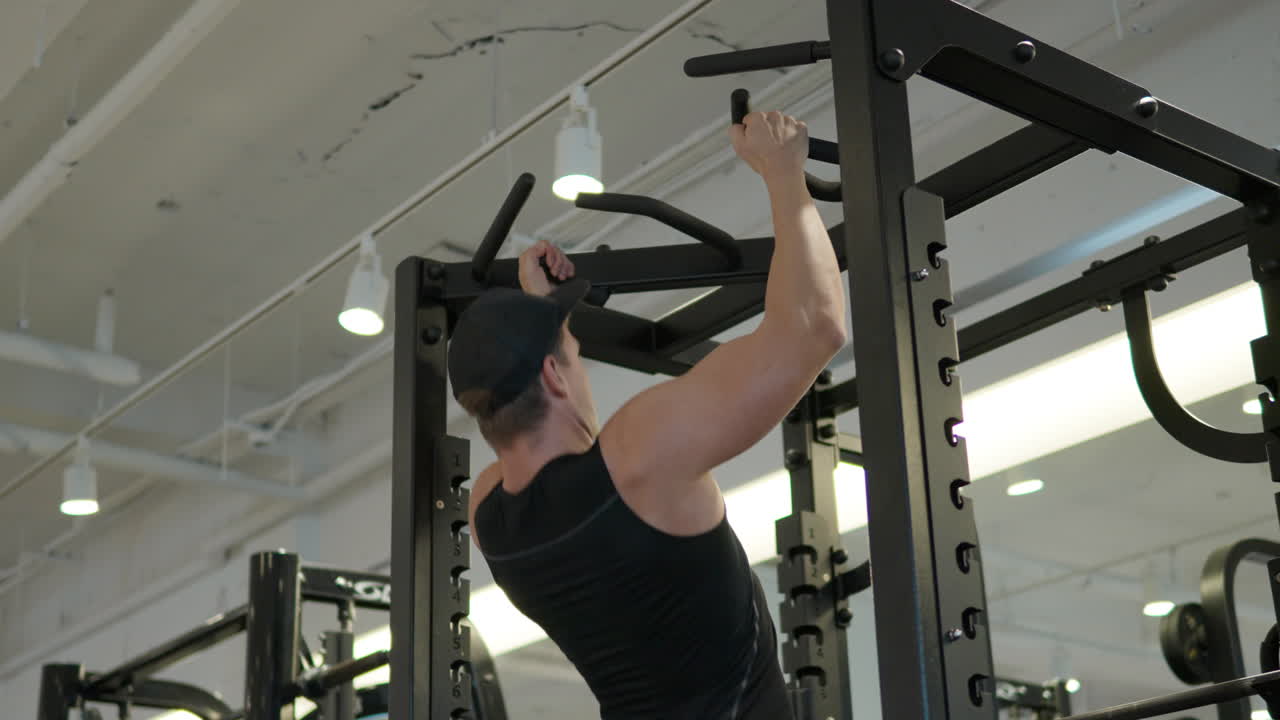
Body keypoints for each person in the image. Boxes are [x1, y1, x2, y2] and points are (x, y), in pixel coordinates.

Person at [448, 109, 847, 720]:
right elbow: (813, 326)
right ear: (554, 377)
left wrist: (541, 323)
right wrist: (782, 172)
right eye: (574, 357)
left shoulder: (490, 515)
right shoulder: (637, 456)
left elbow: (574, 458)